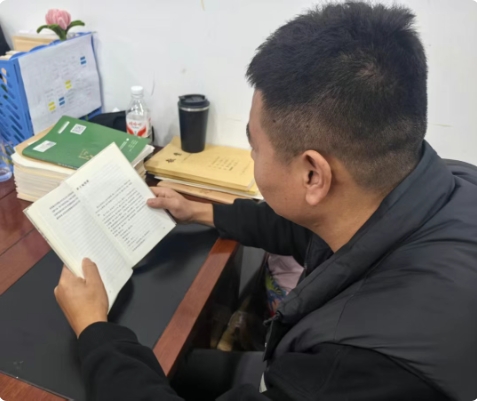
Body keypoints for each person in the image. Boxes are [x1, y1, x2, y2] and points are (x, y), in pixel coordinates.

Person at [54, 2, 477, 400]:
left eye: (254, 147)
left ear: (313, 174)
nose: (252, 157)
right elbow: (310, 227)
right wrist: (200, 210)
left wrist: (93, 327)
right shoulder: (442, 183)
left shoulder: (352, 369)